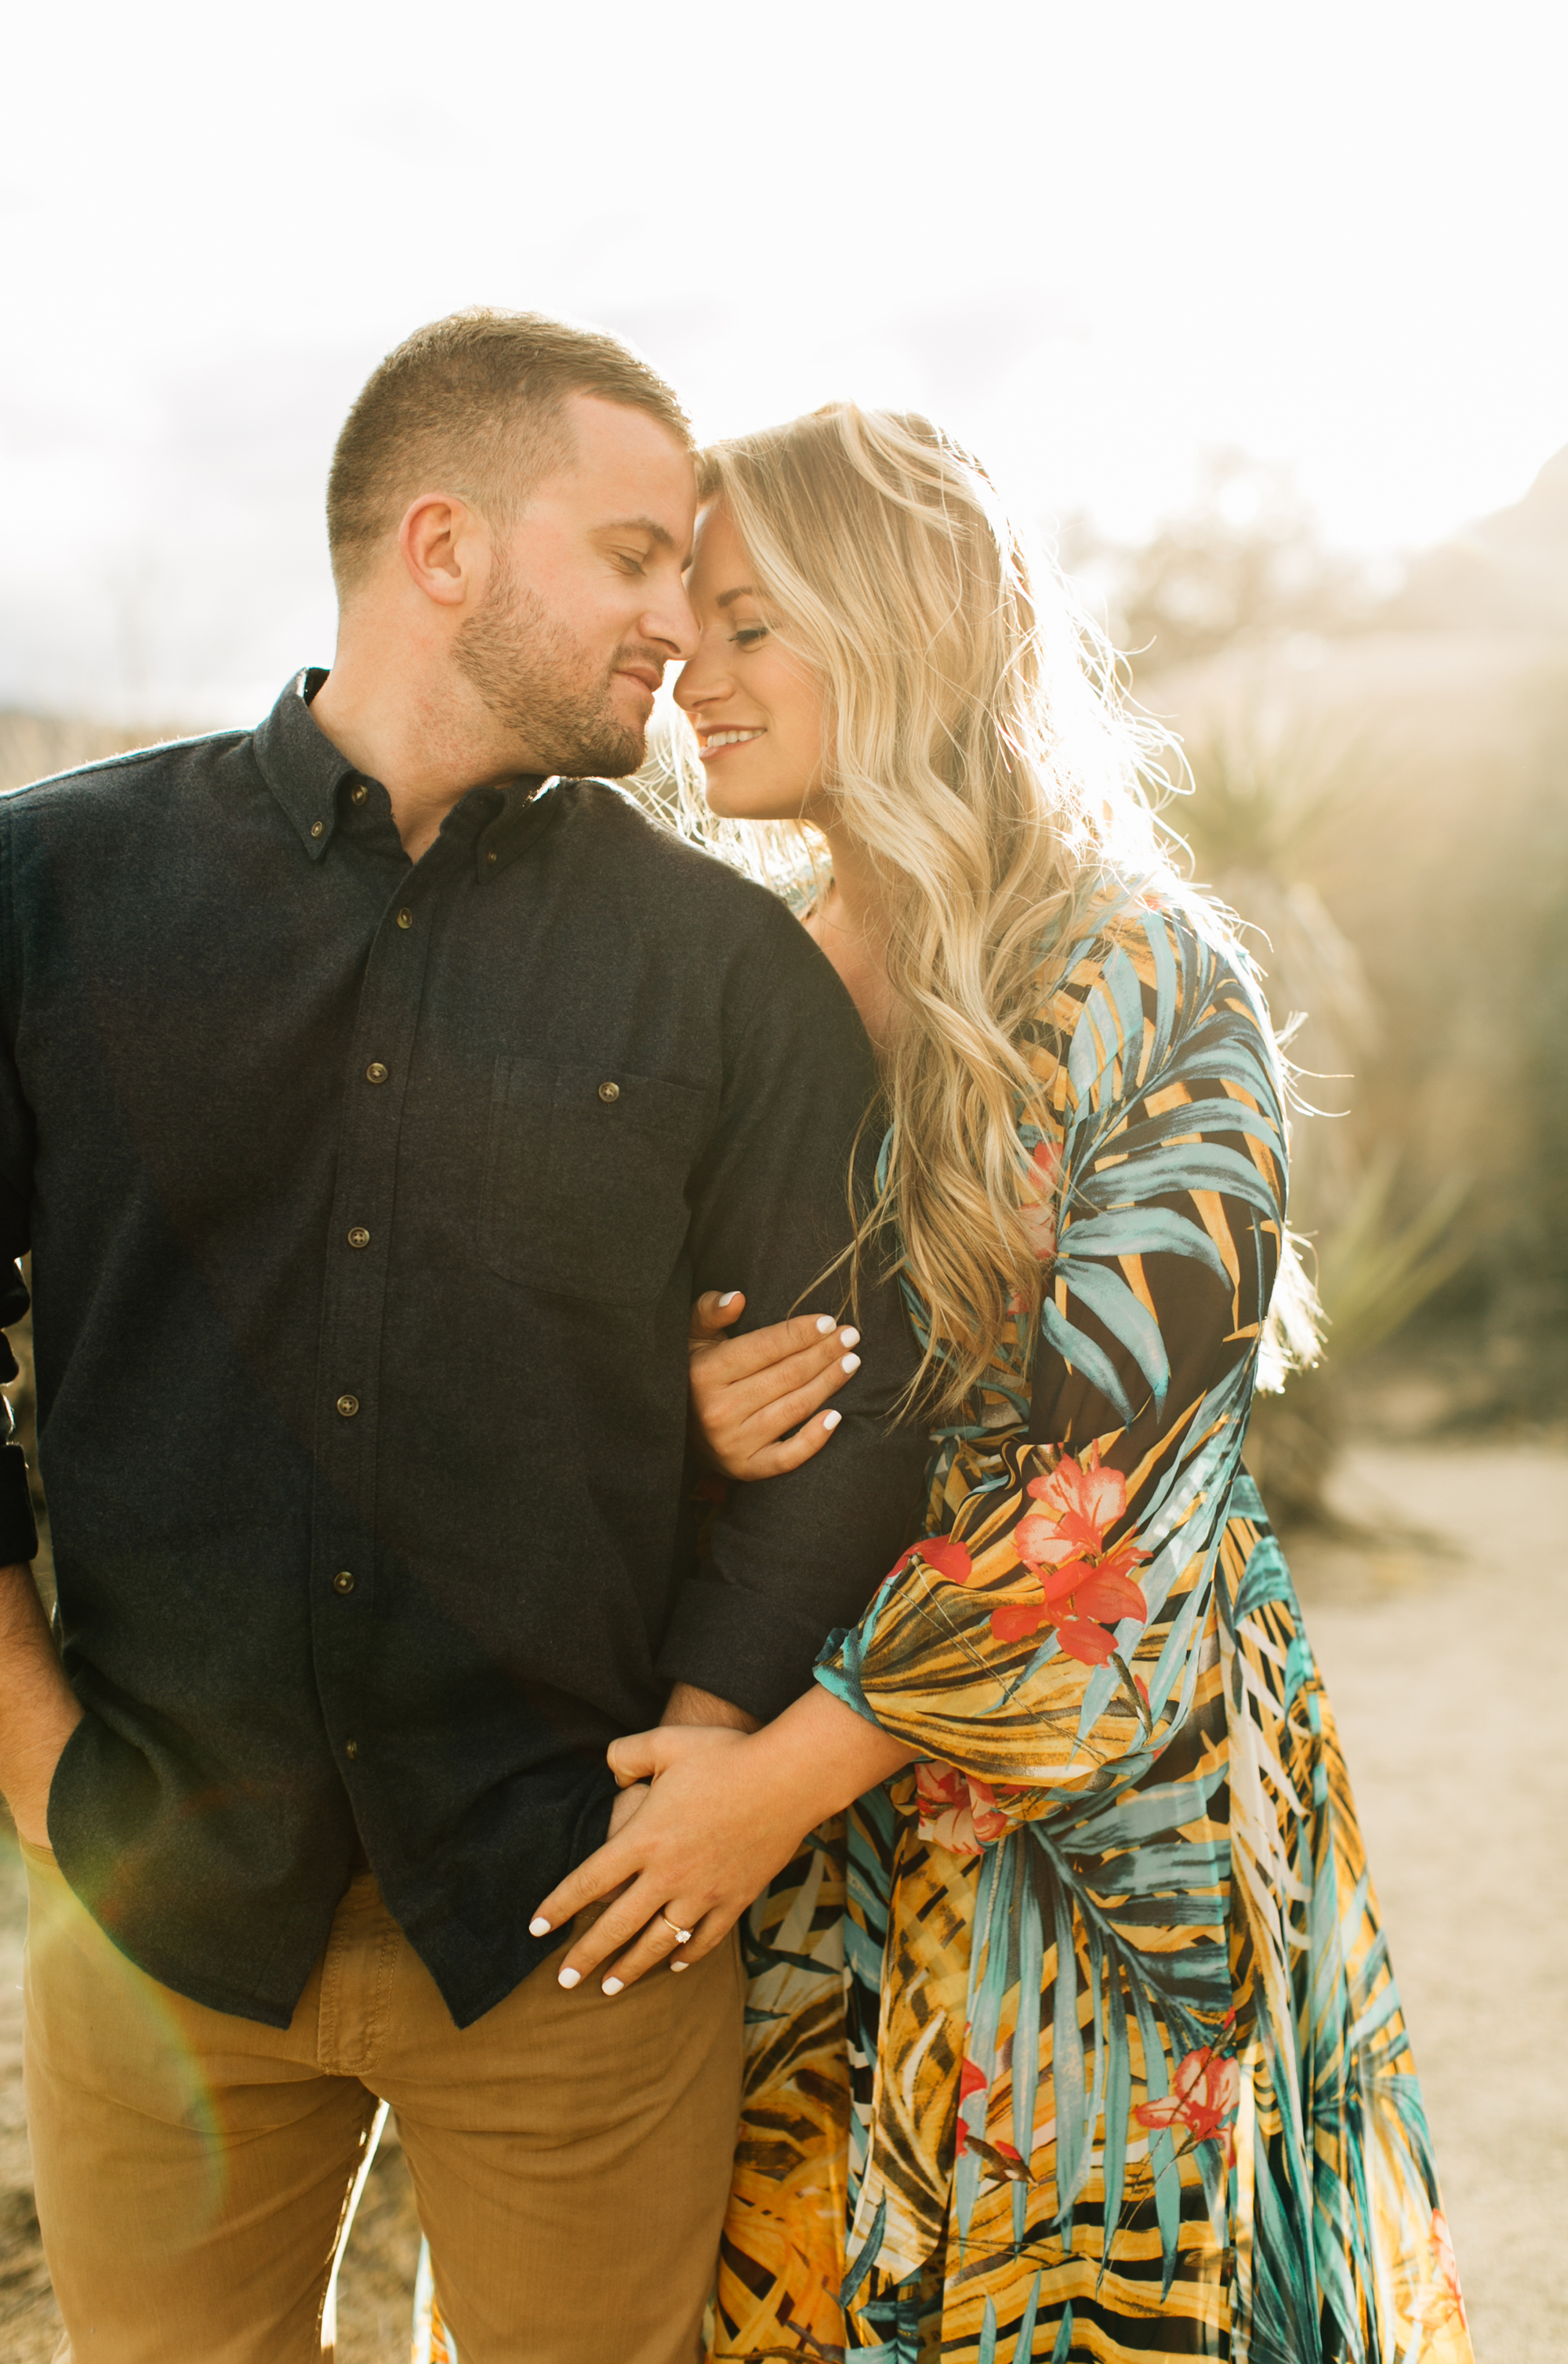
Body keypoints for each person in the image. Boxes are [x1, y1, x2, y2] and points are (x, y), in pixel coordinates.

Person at [0, 314, 927, 2364]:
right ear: (442, 550)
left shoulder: (726, 969)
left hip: (576, 1935)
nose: (679, 624)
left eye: (692, 573)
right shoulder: (48, 895)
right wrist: (44, 1767)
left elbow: (855, 1411)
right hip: (153, 1922)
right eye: (633, 557)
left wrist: (707, 1730)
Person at [532, 407, 1473, 2362]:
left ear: (902, 632)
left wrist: (756, 1800)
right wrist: (684, 1411)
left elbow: (1107, 1516)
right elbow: (600, 1351)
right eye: (688, 620)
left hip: (1090, 1837)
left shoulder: (1150, 977)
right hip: (798, 1809)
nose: (689, 669)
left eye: (747, 621)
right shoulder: (739, 984)